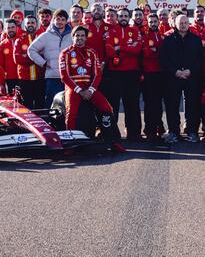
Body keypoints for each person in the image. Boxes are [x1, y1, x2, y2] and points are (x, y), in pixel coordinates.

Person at [60, 26, 124, 152]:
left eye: (82, 35)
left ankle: (113, 140)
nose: (79, 38)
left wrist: (91, 90)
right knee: (71, 112)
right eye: (77, 35)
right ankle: (70, 144)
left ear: (86, 37)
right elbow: (64, 76)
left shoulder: (92, 53)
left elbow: (98, 74)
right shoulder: (65, 53)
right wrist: (79, 90)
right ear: (72, 37)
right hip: (74, 88)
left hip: (89, 88)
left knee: (107, 108)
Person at [159, 14, 204, 143]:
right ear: (175, 24)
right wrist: (175, 71)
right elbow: (163, 59)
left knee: (192, 105)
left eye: (185, 22)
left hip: (191, 77)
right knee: (172, 106)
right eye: (181, 23)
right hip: (173, 77)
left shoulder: (195, 39)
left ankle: (192, 132)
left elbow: (200, 59)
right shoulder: (167, 39)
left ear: (188, 24)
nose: (183, 25)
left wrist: (191, 71)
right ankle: (173, 132)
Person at [104, 8, 143, 141]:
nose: (123, 18)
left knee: (132, 104)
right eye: (121, 16)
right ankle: (113, 134)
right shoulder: (110, 32)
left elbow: (137, 50)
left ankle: (134, 133)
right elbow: (109, 52)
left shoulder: (135, 31)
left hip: (132, 73)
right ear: (117, 18)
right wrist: (128, 49)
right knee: (113, 105)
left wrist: (120, 48)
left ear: (129, 17)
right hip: (115, 74)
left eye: (126, 16)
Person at [28, 9, 73, 108]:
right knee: (51, 105)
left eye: (62, 19)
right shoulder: (46, 35)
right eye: (58, 19)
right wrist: (43, 63)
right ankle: (49, 123)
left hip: (69, 77)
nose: (60, 22)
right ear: (53, 20)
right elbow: (31, 50)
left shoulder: (72, 36)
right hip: (52, 77)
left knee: (69, 105)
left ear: (66, 21)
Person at [141, 13, 166, 141]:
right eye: (150, 22)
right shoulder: (145, 36)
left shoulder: (163, 35)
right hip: (149, 74)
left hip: (161, 74)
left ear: (158, 22)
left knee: (158, 103)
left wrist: (156, 50)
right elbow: (147, 52)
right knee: (150, 103)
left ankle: (159, 127)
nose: (153, 24)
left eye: (155, 21)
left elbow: (165, 53)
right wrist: (156, 51)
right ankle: (149, 129)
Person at [14, 15, 45, 109]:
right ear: (25, 25)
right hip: (25, 79)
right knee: (26, 105)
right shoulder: (19, 40)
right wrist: (36, 58)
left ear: (37, 25)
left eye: (32, 22)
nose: (30, 24)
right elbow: (18, 59)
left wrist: (27, 56)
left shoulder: (42, 39)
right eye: (28, 23)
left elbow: (45, 56)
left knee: (40, 104)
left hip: (40, 78)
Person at [0, 19, 20, 96]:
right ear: (5, 30)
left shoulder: (22, 41)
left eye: (12, 27)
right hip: (9, 79)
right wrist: (0, 83)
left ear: (16, 28)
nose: (11, 30)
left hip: (23, 78)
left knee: (25, 104)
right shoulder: (2, 45)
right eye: (8, 28)